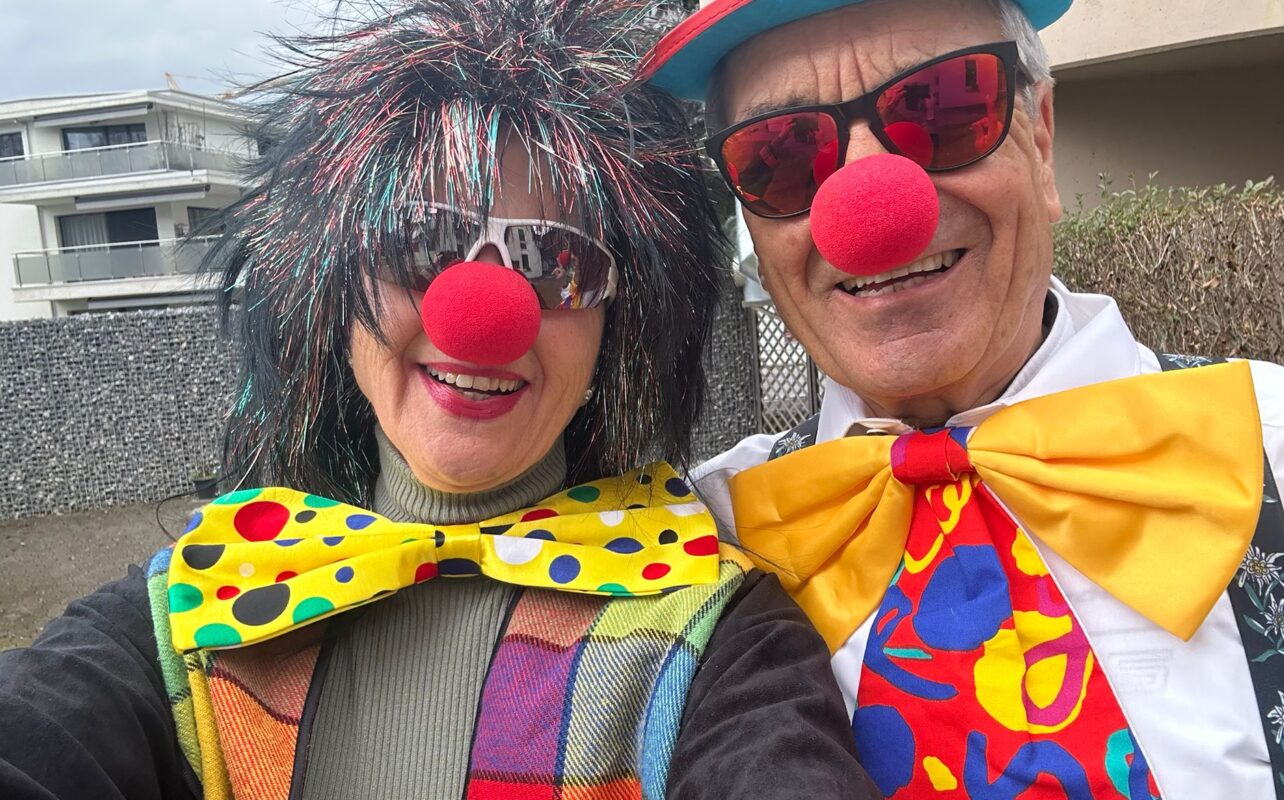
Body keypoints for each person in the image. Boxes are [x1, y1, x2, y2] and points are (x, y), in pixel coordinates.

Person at [0, 1, 877, 798]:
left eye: (555, 262)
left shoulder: (718, 630)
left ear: (618, 327)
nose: (480, 317)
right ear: (332, 286)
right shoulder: (197, 603)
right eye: (420, 242)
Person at [643, 0, 1284, 796]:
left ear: (1039, 139)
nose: (872, 211)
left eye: (940, 109)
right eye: (782, 155)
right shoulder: (701, 551)